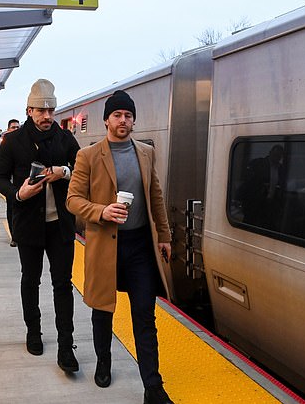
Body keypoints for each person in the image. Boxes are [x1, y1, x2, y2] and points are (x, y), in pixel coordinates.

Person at [66, 90, 174, 404]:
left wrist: (164, 236)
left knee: (144, 315)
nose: (123, 120)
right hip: (105, 247)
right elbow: (72, 200)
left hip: (140, 246)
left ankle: (153, 387)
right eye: (117, 115)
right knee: (103, 311)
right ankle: (104, 361)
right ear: (107, 120)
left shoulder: (145, 152)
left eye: (128, 115)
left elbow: (155, 196)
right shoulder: (88, 155)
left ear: (133, 120)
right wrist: (101, 211)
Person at [0, 79, 81, 373]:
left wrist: (64, 171)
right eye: (41, 111)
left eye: (51, 111)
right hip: (29, 224)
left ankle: (66, 346)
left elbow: (81, 167)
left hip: (60, 226)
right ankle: (33, 331)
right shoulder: (13, 142)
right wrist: (18, 193)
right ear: (29, 110)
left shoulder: (65, 138)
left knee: (62, 284)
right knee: (30, 280)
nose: (47, 117)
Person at [236, 144, 286, 228]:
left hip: (271, 205)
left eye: (278, 156)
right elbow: (248, 181)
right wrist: (261, 185)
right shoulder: (258, 163)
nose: (276, 158)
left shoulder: (281, 169)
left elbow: (282, 184)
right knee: (249, 226)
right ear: (270, 153)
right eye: (274, 155)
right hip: (255, 203)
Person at [0, 118, 20, 246]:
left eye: (18, 127)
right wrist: (1, 171)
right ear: (8, 129)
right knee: (11, 209)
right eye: (13, 127)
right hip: (10, 183)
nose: (15, 130)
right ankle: (14, 237)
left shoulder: (23, 142)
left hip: (22, 181)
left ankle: (21, 234)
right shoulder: (4, 142)